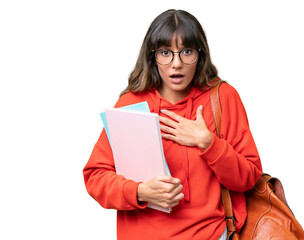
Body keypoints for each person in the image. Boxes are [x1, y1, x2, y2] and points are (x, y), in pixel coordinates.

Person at [83, 9, 262, 240]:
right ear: (152, 56)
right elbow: (95, 177)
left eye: (186, 51)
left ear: (200, 54)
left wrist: (208, 143)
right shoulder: (130, 104)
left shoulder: (223, 98)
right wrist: (139, 192)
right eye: (166, 52)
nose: (176, 63)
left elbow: (249, 178)